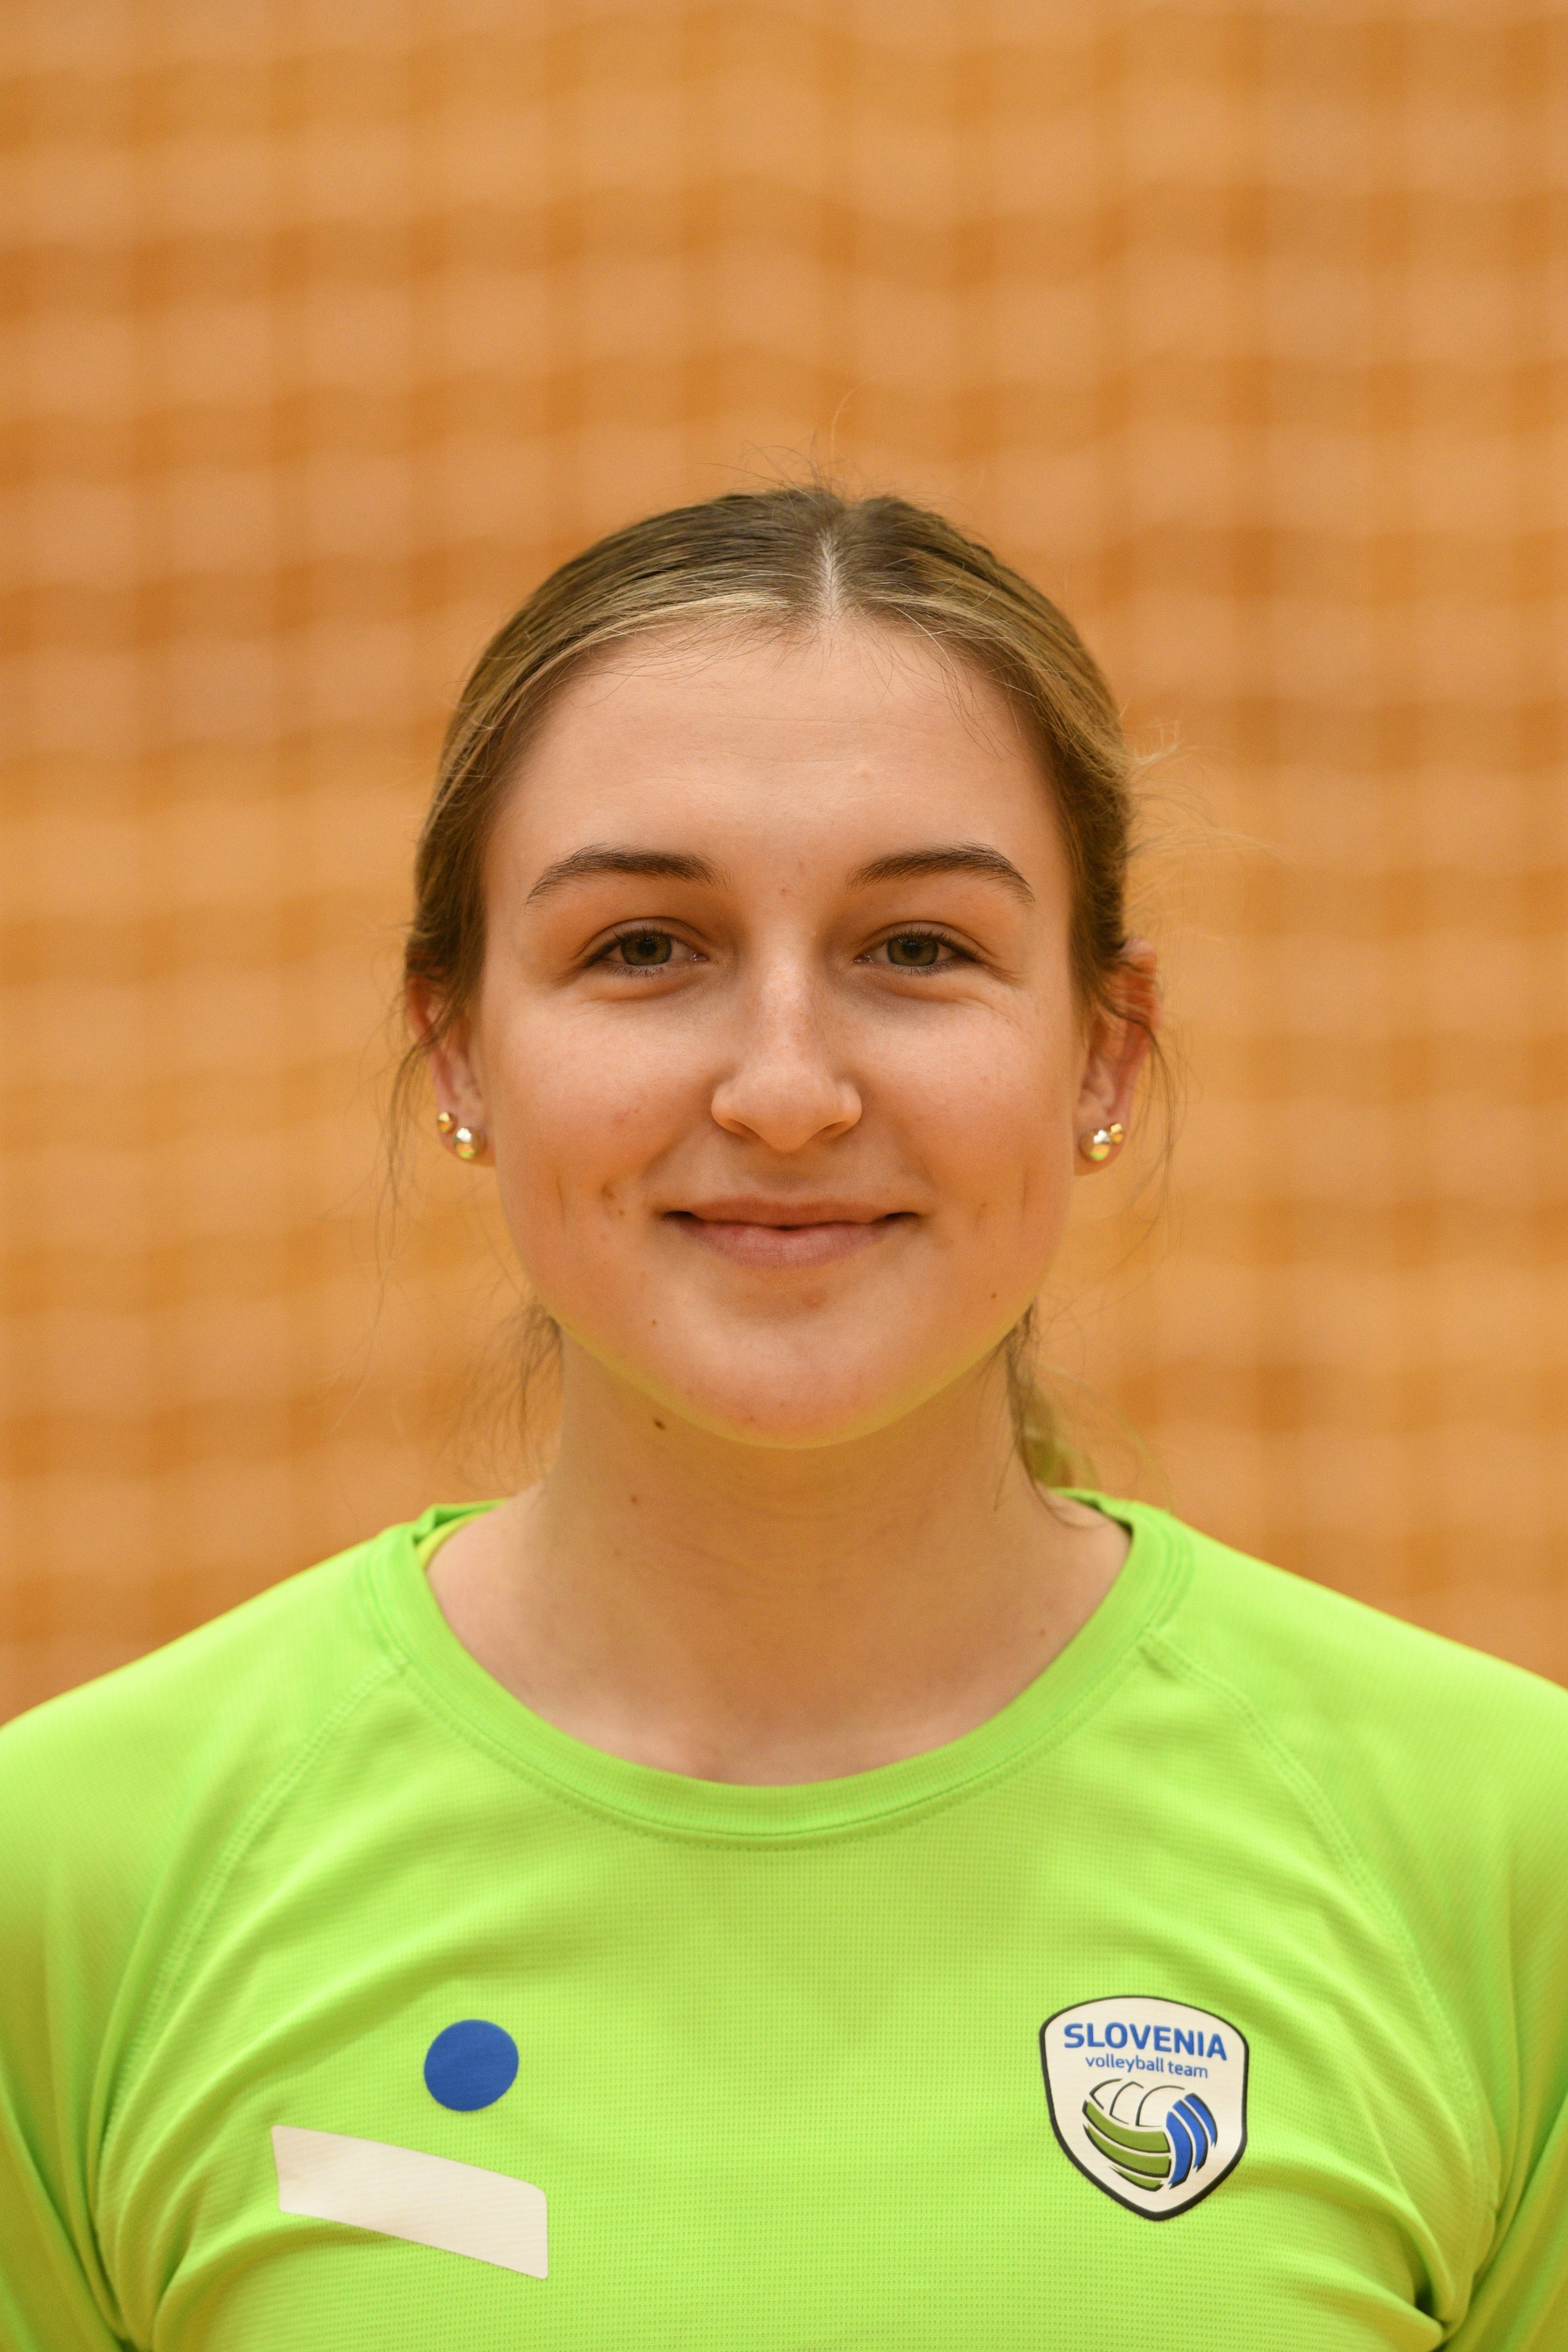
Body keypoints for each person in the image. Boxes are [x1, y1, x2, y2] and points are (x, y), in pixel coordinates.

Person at [0, 485, 1564, 2352]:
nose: (786, 1089)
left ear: (1104, 1050)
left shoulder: (1501, 1861)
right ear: (457, 1045)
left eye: (918, 948)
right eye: (642, 947)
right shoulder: (75, 1883)